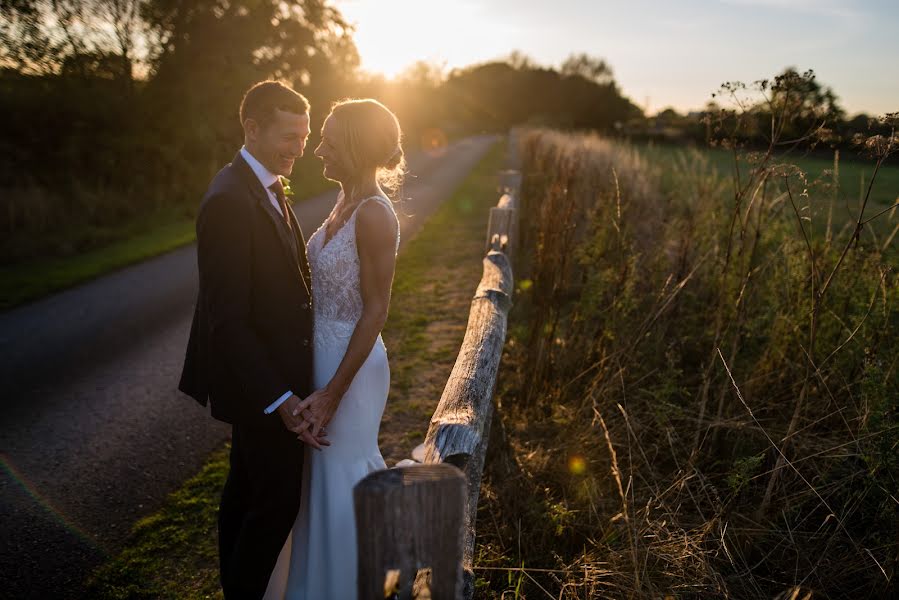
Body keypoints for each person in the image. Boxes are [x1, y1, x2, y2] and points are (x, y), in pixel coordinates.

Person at [179, 80, 327, 599]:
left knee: (243, 493)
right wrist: (280, 398)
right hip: (259, 386)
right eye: (289, 136)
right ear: (252, 128)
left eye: (304, 137)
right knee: (276, 501)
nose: (298, 149)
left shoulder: (262, 184)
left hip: (271, 377)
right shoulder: (228, 200)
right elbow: (228, 319)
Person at [264, 98, 404, 599]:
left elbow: (376, 310)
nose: (316, 149)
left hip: (352, 366)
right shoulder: (342, 202)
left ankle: (354, 585)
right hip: (319, 358)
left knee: (343, 467)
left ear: (353, 144)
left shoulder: (374, 215)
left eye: (326, 138)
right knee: (318, 478)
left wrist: (332, 393)